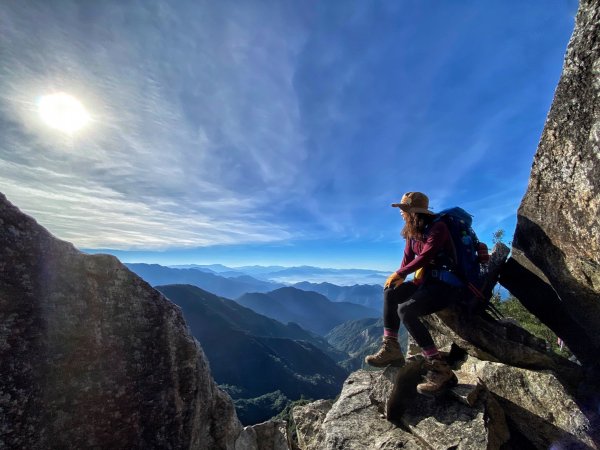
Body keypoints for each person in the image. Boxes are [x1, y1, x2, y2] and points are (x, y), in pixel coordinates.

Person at [364, 191, 461, 396]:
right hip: (425, 283)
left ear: (413, 211)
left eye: (403, 210)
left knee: (406, 310)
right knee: (391, 292)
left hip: (446, 286)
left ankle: (441, 369)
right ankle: (391, 348)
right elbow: (407, 260)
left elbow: (427, 255)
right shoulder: (411, 232)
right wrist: (397, 279)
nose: (401, 214)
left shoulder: (439, 228)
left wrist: (401, 273)